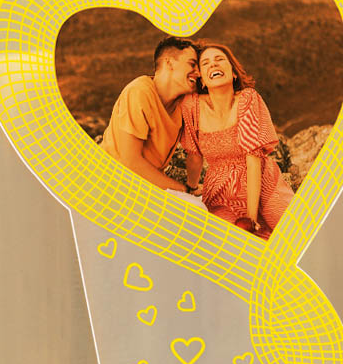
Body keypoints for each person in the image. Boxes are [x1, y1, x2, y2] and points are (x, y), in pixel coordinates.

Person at [180, 43, 294, 238]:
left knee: (292, 232)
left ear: (233, 73)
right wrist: (191, 188)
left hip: (263, 183)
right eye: (205, 63)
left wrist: (251, 216)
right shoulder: (192, 106)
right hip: (221, 194)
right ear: (202, 80)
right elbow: (194, 155)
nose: (213, 65)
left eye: (219, 60)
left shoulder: (248, 98)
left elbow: (253, 159)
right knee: (230, 241)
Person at [101, 36, 201, 193]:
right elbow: (131, 162)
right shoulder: (139, 92)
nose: (199, 73)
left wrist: (192, 187)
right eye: (192, 64)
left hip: (146, 187)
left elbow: (196, 151)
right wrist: (183, 190)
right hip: (112, 182)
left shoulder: (183, 105)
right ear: (169, 63)